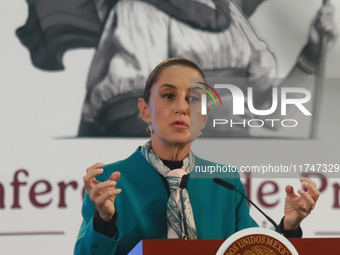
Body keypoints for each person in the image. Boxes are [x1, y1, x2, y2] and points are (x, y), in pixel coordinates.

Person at [74, 58, 320, 255]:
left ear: (204, 116)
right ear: (144, 110)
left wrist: (290, 226)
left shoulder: (225, 182)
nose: (182, 107)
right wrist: (104, 221)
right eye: (169, 95)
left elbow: (251, 250)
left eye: (193, 98)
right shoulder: (111, 182)